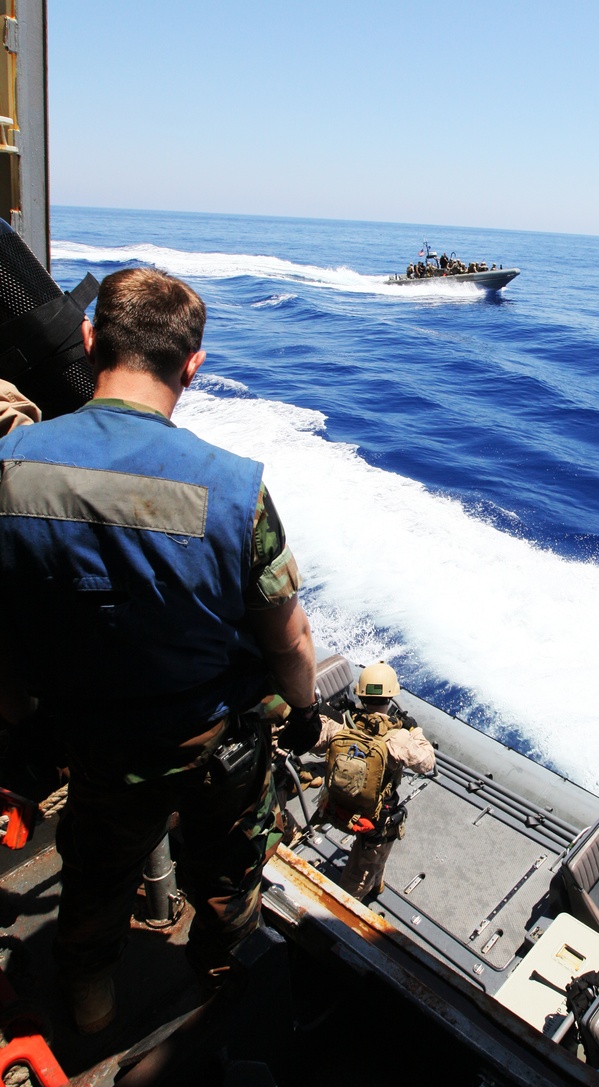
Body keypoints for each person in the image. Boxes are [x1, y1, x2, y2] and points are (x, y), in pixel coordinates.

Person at [0, 266, 321, 1033]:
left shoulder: (10, 470)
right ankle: (217, 990)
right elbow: (291, 640)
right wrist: (305, 711)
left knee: (95, 883)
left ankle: (89, 1008)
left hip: (97, 745)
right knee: (229, 880)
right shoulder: (235, 490)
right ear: (193, 365)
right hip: (214, 744)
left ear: (89, 339)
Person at [312, 661, 434, 902]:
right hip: (374, 819)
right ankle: (343, 910)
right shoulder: (397, 738)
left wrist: (326, 713)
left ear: (360, 694)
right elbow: (427, 762)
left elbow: (315, 742)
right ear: (391, 697)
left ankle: (376, 885)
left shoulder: (341, 725)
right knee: (359, 874)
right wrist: (414, 731)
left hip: (340, 808)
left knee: (372, 861)